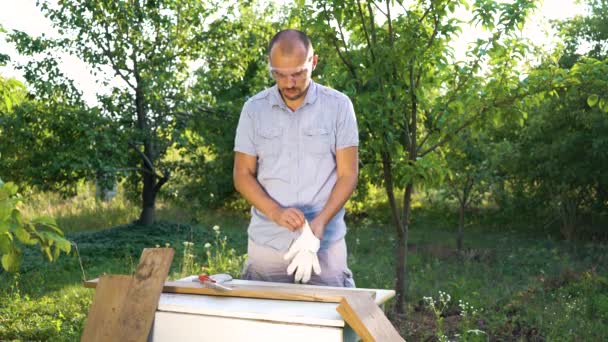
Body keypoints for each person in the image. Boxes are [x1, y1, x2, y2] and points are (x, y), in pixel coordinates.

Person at [233, 29, 359, 287]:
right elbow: (242, 174)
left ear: (313, 62)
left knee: (329, 322)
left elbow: (349, 175)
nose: (289, 83)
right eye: (279, 74)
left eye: (298, 74)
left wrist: (319, 224)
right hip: (267, 245)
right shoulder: (254, 110)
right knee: (262, 322)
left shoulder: (339, 106)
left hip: (324, 246)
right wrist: (276, 212)